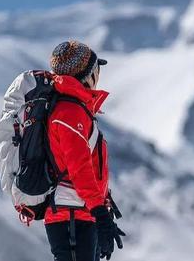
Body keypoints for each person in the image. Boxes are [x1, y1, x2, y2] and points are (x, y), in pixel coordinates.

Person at [45, 40, 125, 261]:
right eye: (97, 69)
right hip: (71, 214)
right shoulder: (70, 112)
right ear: (88, 76)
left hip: (78, 212)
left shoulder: (75, 109)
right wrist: (100, 214)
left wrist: (102, 213)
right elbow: (79, 168)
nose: (99, 76)